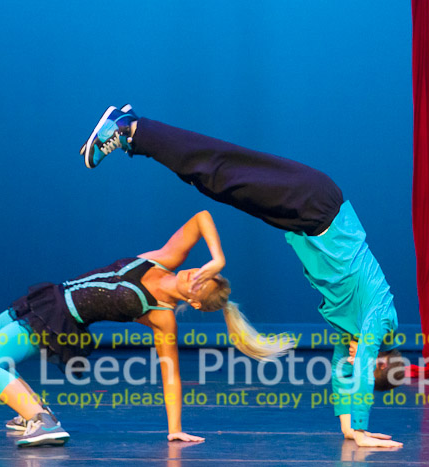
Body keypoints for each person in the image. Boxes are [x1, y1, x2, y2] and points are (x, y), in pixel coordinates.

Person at [80, 105, 406, 448]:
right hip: (317, 204)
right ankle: (130, 128)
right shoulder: (381, 319)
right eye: (363, 365)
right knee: (222, 171)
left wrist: (349, 429)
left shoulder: (352, 333)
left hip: (306, 219)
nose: (352, 362)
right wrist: (362, 428)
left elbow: (343, 371)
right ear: (382, 358)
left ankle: (137, 137)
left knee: (217, 184)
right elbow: (362, 362)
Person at [0, 210, 290, 447]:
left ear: (195, 302)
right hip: (49, 298)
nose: (195, 274)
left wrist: (174, 429)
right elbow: (202, 217)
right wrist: (218, 260)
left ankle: (42, 422)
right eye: (202, 272)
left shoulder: (162, 316)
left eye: (200, 283)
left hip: (59, 321)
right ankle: (32, 410)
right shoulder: (165, 258)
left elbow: (171, 374)